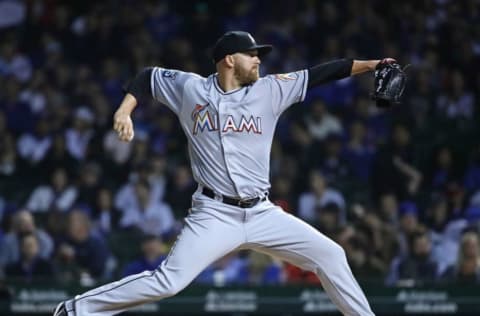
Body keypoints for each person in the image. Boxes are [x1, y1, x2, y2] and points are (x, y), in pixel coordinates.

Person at [54, 30, 392, 316]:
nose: (259, 59)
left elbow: (322, 73)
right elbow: (146, 77)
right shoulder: (191, 89)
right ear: (229, 59)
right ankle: (76, 310)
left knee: (331, 254)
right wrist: (125, 110)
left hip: (262, 212)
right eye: (252, 54)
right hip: (214, 214)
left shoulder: (270, 90)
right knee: (168, 282)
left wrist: (374, 65)